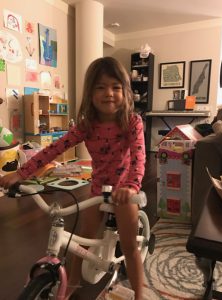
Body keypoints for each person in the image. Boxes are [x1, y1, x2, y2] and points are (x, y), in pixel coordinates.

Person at [0, 57, 146, 300]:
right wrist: (21, 173)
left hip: (124, 189)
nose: (108, 93)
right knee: (82, 242)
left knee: (130, 247)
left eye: (115, 87)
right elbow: (52, 150)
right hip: (98, 186)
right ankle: (71, 289)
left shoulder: (132, 122)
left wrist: (131, 186)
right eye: (100, 87)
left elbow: (140, 156)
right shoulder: (86, 125)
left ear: (125, 91)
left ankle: (139, 294)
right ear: (90, 92)